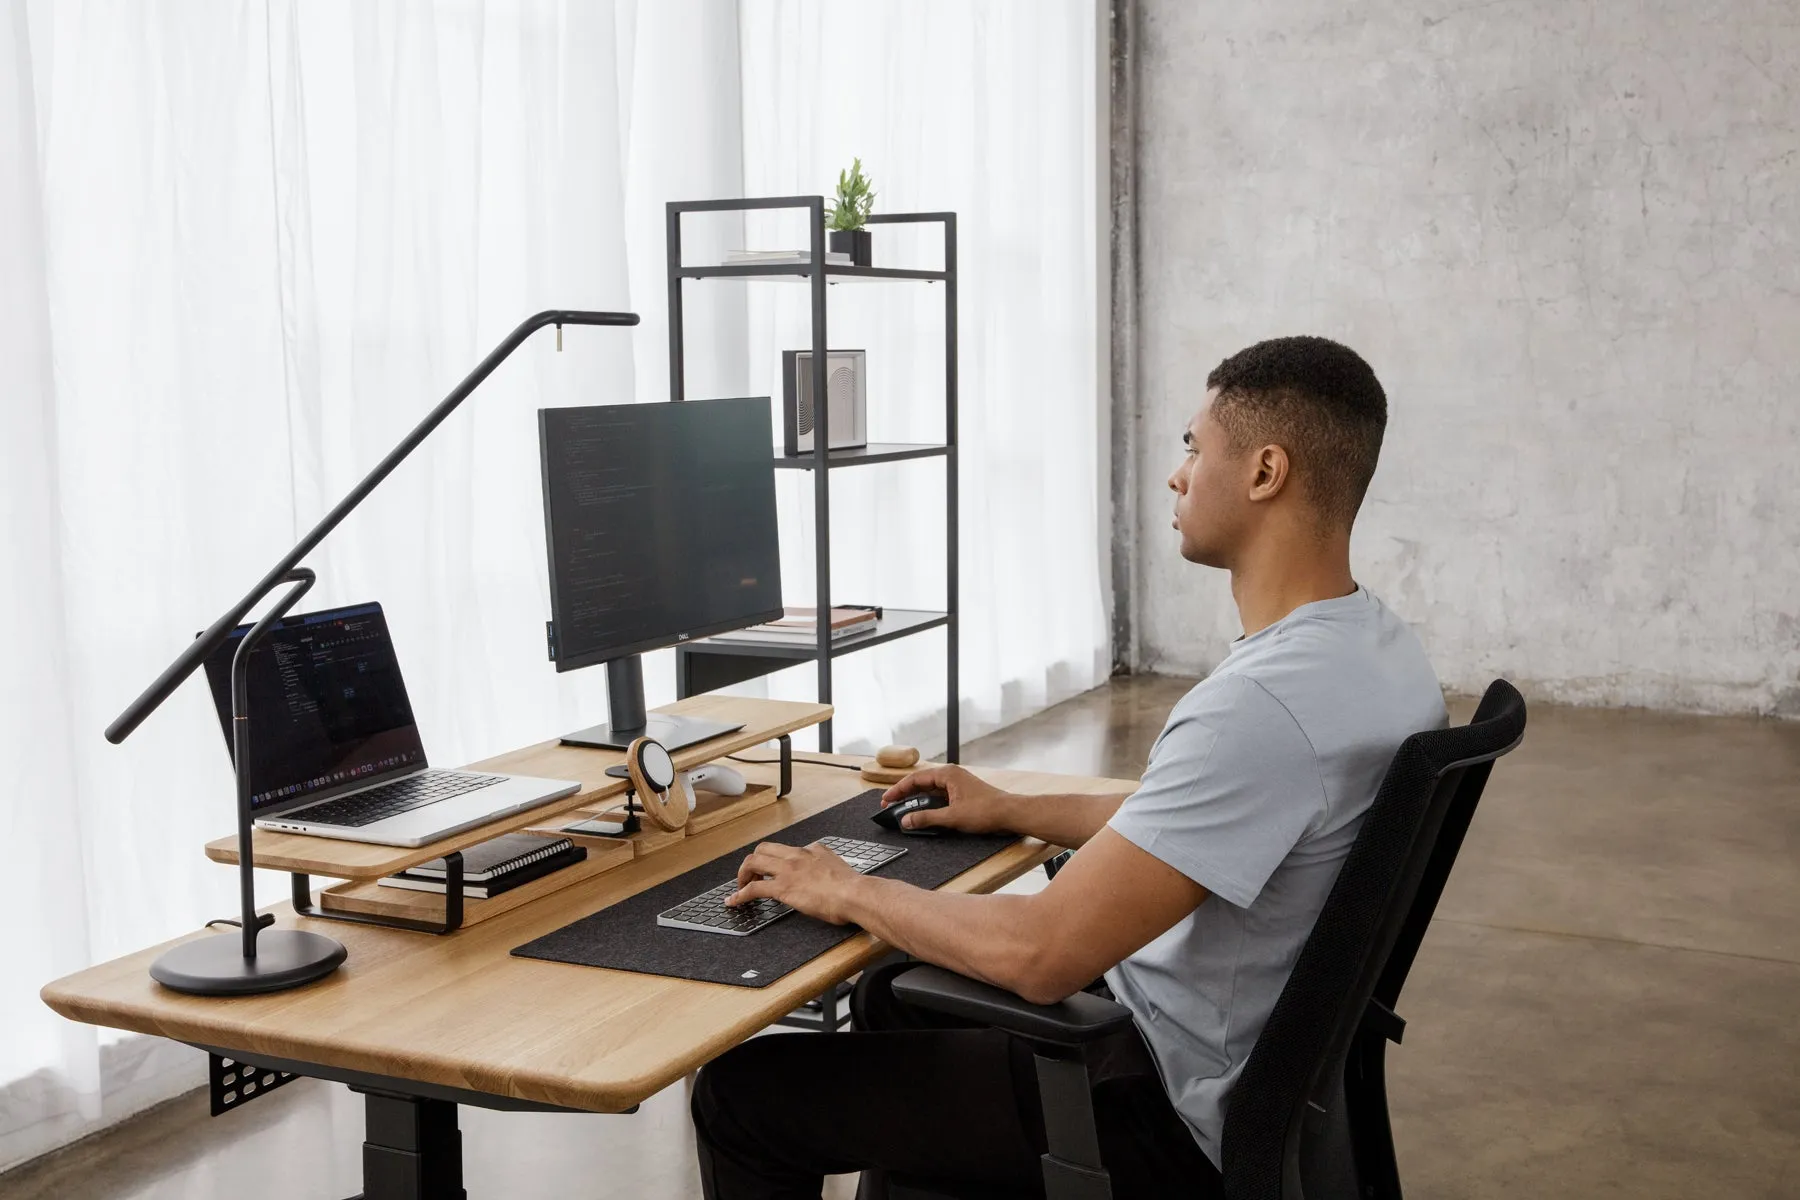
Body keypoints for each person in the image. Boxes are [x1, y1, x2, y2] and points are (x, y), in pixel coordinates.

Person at [691, 336, 1447, 1199]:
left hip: (1157, 1105)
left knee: (740, 1097)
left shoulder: (1263, 708)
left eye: (1195, 448)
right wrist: (1016, 806)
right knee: (896, 991)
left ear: (1265, 471)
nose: (1177, 474)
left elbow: (1043, 953)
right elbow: (1196, 824)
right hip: (1228, 1061)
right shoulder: (1377, 652)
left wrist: (846, 888)